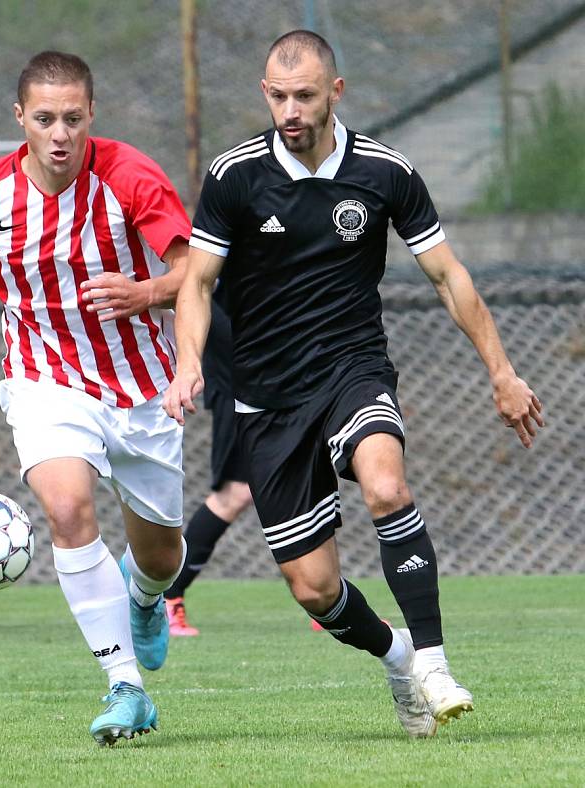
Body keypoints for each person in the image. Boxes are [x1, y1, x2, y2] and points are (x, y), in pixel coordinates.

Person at [164, 30, 544, 738]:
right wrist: (189, 362)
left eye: (304, 96)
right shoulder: (234, 176)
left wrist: (503, 371)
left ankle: (432, 661)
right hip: (268, 397)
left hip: (351, 368)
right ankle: (396, 656)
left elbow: (448, 276)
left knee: (386, 484)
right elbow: (197, 282)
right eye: (277, 96)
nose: (290, 110)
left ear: (335, 93)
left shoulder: (384, 172)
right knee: (315, 588)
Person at [0, 51, 191, 746]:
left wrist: (146, 292)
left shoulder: (130, 177)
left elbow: (195, 270)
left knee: (160, 555)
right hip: (44, 379)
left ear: (92, 114)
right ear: (20, 120)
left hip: (141, 388)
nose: (59, 133)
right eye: (44, 119)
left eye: (72, 117)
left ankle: (145, 596)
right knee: (66, 508)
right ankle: (125, 686)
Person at [163, 286, 254, 636]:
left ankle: (329, 600)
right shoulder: (211, 271)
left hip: (280, 385)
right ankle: (169, 596)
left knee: (309, 484)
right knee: (235, 494)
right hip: (241, 388)